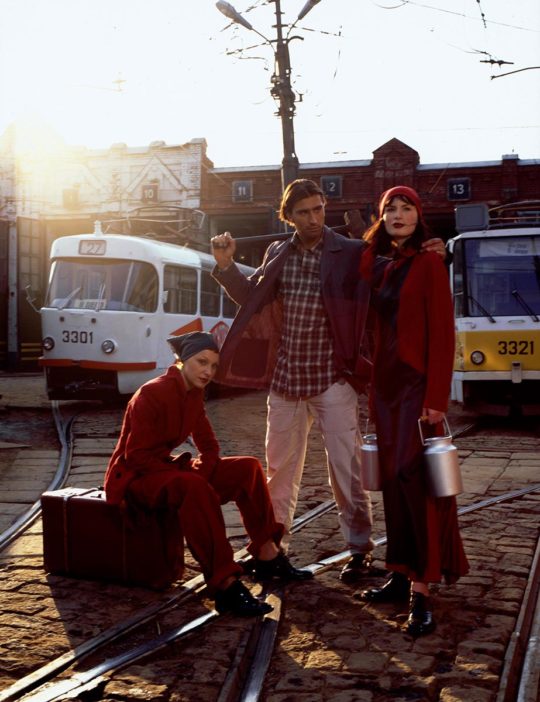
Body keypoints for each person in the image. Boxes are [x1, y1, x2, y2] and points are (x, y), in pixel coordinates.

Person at [211, 179, 447, 584]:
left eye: (318, 209)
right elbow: (252, 298)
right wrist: (226, 265)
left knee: (347, 470)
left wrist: (429, 252)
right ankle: (274, 548)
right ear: (288, 217)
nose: (313, 218)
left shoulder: (350, 251)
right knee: (279, 471)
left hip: (333, 378)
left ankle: (359, 549)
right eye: (303, 212)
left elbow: (393, 273)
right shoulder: (278, 252)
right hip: (286, 379)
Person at [104, 331, 312, 619]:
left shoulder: (194, 394)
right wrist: (189, 474)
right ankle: (225, 584)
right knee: (193, 486)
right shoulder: (152, 393)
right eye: (201, 362)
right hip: (134, 479)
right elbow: (136, 457)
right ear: (182, 361)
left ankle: (267, 555)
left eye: (213, 366)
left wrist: (204, 468)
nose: (208, 371)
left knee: (247, 468)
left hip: (165, 470)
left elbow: (209, 446)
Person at [356, 186, 469, 636]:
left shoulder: (428, 264)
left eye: (406, 208)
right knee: (392, 480)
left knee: (414, 480)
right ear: (381, 217)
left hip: (417, 388)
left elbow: (443, 333)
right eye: (390, 209)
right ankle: (400, 572)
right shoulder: (379, 264)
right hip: (385, 389)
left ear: (419, 217)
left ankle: (421, 588)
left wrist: (437, 397)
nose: (398, 215)